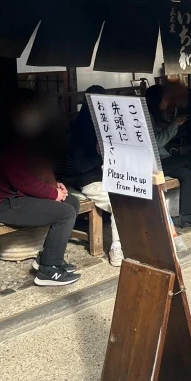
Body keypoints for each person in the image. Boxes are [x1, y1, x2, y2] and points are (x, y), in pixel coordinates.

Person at [0, 90, 81, 286]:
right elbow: (22, 180)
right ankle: (49, 270)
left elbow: (32, 172)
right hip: (1, 204)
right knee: (65, 213)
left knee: (71, 201)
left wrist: (55, 188)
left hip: (15, 197)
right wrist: (52, 194)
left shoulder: (13, 136)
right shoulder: (0, 139)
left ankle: (46, 259)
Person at [146, 84, 191, 229]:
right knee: (189, 158)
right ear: (158, 99)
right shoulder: (146, 115)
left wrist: (169, 124)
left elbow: (156, 135)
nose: (168, 101)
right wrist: (174, 124)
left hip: (161, 159)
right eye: (166, 98)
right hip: (153, 164)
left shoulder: (153, 115)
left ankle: (187, 217)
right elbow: (157, 141)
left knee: (186, 173)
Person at [70, 86, 123, 267]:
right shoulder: (81, 130)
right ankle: (117, 247)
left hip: (111, 177)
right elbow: (79, 166)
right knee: (120, 202)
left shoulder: (106, 125)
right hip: (91, 180)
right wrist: (101, 157)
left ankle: (136, 240)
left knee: (136, 195)